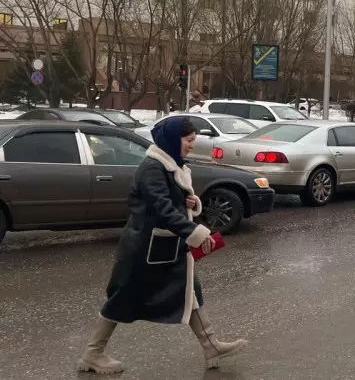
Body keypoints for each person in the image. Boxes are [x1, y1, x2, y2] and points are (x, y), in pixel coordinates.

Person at [78, 117, 247, 374]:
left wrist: (190, 202)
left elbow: (170, 201)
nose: (192, 145)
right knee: (122, 296)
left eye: (193, 140)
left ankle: (211, 345)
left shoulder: (171, 165)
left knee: (190, 290)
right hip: (144, 249)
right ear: (172, 139)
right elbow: (162, 209)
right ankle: (92, 354)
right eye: (188, 140)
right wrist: (197, 233)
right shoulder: (152, 168)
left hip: (165, 246)